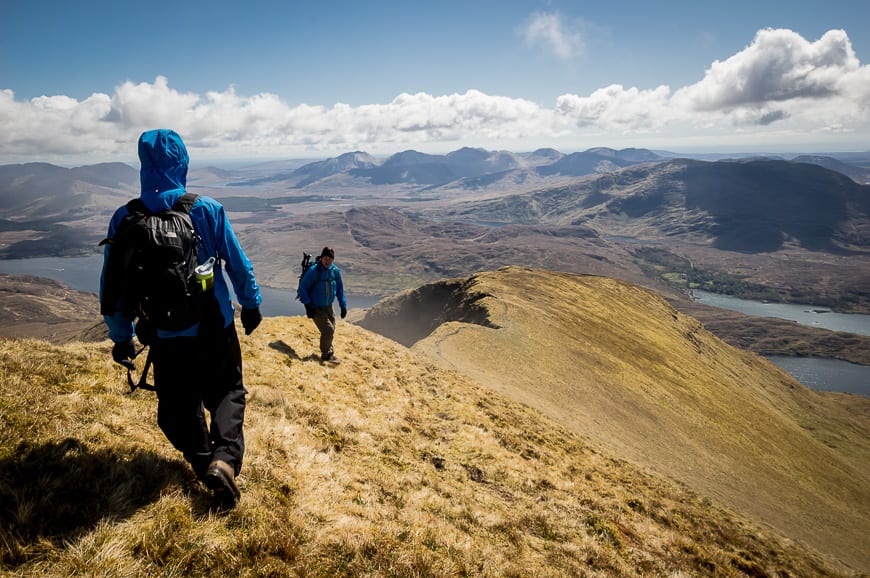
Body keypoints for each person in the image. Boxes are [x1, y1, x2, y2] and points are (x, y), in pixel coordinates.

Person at [100, 129, 262, 508]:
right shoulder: (206, 209)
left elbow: (113, 286)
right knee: (226, 393)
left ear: (144, 166)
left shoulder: (125, 218)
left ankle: (204, 462)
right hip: (214, 328)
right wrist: (251, 304)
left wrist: (121, 336)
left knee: (177, 410)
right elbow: (238, 264)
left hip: (165, 335)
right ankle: (223, 460)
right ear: (183, 164)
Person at [297, 246, 347, 363]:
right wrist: (308, 305)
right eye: (325, 258)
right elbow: (302, 289)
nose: (327, 261)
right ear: (322, 258)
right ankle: (326, 355)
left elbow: (340, 289)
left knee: (332, 329)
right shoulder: (314, 271)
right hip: (316, 307)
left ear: (333, 260)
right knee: (328, 330)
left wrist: (343, 306)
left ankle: (329, 352)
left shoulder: (335, 271)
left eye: (330, 258)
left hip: (328, 306)